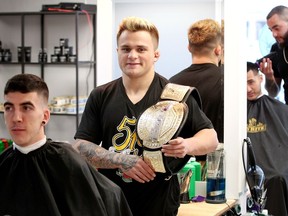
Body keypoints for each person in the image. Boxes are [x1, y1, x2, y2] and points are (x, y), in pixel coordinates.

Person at [73, 16, 218, 216]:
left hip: (159, 205)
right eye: (126, 49)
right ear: (118, 52)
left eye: (141, 49)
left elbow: (210, 138)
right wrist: (120, 160)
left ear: (155, 54)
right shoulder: (100, 95)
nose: (132, 55)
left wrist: (187, 146)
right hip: (111, 204)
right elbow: (80, 147)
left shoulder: (174, 96)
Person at [0, 73, 132, 216]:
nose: (16, 118)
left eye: (26, 108)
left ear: (45, 116)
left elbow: (113, 196)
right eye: (9, 108)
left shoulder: (67, 161)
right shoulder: (3, 164)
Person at [169, 19, 224, 159]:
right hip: (219, 168)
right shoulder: (227, 82)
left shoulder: (172, 84)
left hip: (184, 168)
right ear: (218, 49)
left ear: (189, 47)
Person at [246, 61, 288, 216]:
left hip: (276, 176)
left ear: (261, 78)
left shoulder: (281, 110)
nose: (248, 89)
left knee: (279, 178)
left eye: (251, 82)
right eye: (243, 83)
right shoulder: (234, 111)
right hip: (243, 175)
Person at [259, 5, 288, 104]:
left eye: (277, 28)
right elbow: (273, 93)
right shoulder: (276, 49)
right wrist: (269, 77)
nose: (274, 34)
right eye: (271, 30)